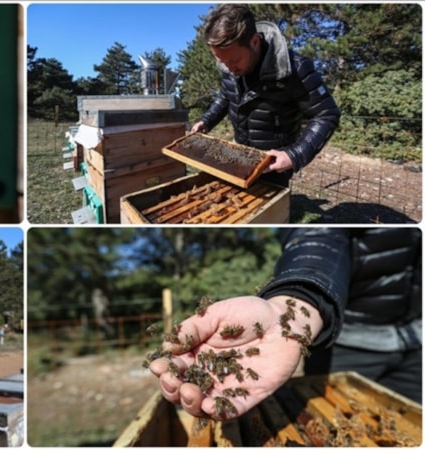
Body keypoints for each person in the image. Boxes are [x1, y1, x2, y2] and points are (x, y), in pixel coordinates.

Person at [149, 228, 421, 420]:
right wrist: (298, 300)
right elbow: (316, 238)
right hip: (345, 343)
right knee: (335, 420)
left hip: (418, 344)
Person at [190, 4, 341, 187]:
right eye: (221, 61)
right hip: (239, 154)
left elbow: (326, 114)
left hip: (274, 162)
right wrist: (207, 120)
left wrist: (294, 155)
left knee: (270, 213)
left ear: (254, 41)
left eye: (234, 60)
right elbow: (226, 95)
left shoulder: (296, 68)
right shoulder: (228, 66)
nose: (229, 68)